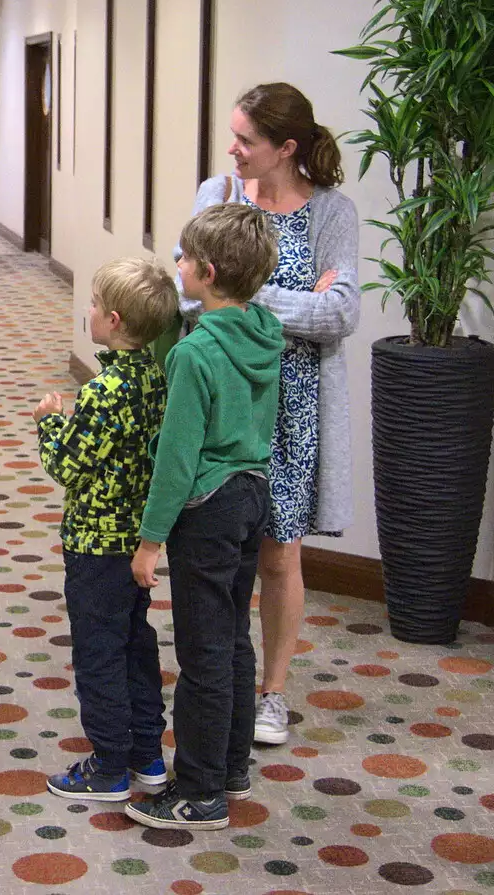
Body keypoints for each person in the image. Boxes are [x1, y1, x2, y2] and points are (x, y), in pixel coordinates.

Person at [179, 83, 360, 746]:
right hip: (224, 394)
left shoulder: (331, 213)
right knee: (217, 545)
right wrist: (289, 301)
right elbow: (184, 291)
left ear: (286, 147)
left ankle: (273, 693)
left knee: (280, 554)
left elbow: (340, 312)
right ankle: (220, 676)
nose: (232, 149)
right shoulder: (216, 195)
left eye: (245, 140)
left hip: (293, 405)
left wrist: (243, 298)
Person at [128, 203, 283, 831]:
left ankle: (199, 791)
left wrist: (149, 540)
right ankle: (232, 767)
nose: (177, 265)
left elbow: (177, 456)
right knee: (235, 638)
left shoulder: (195, 357)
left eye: (185, 258)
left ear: (208, 271)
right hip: (252, 494)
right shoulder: (264, 331)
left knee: (202, 652)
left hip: (207, 508)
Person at [35, 258, 176, 803]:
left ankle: (109, 765)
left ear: (114, 320)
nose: (88, 311)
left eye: (94, 304)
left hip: (96, 544)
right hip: (135, 541)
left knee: (98, 652)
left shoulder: (104, 390)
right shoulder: (155, 378)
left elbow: (69, 466)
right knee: (135, 646)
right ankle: (146, 756)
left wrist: (50, 421)